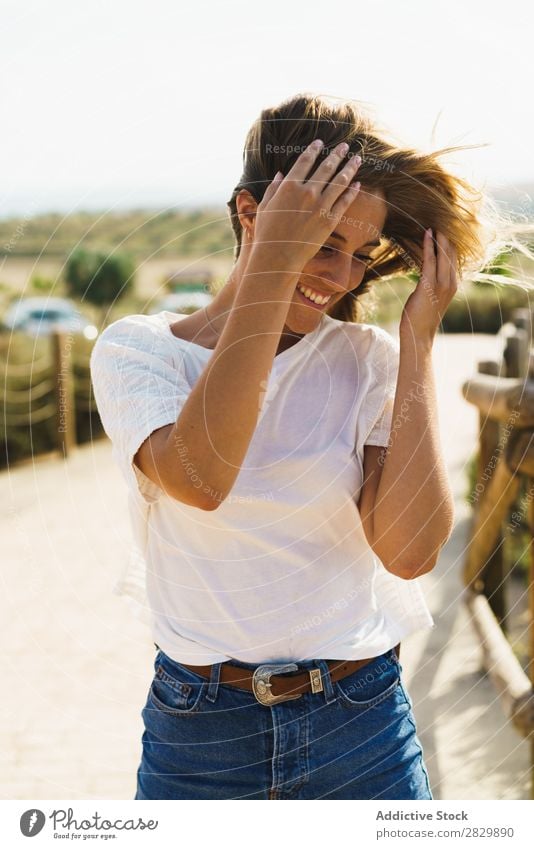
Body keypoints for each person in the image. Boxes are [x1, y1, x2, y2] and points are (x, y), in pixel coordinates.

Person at [89, 92, 505, 800]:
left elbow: (409, 552)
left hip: (362, 722)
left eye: (359, 253)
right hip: (200, 736)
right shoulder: (142, 353)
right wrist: (274, 268)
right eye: (322, 241)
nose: (342, 276)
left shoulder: (367, 359)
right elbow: (201, 477)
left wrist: (416, 343)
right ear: (251, 214)